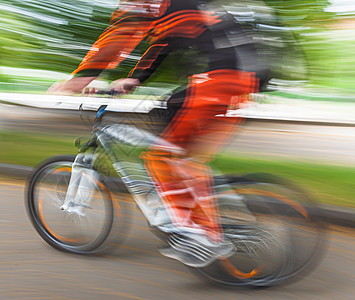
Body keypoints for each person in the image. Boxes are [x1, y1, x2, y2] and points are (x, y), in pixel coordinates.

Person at [49, 0, 266, 267]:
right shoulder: (182, 7)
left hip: (216, 82)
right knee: (187, 158)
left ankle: (201, 236)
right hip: (242, 83)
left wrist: (76, 82)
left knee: (159, 158)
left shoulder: (148, 4)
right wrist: (136, 78)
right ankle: (205, 225)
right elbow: (165, 42)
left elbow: (116, 40)